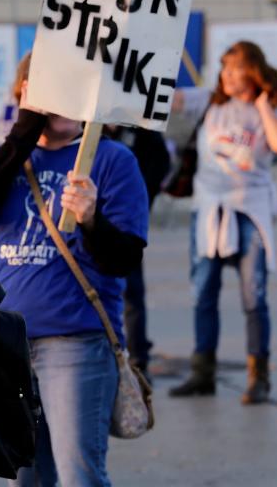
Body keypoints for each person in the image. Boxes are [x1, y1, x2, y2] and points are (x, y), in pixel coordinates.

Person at [0, 54, 149, 487]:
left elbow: (123, 259)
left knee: (77, 475)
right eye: (48, 87)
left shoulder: (112, 160)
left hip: (74, 342)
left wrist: (91, 221)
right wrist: (25, 131)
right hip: (10, 345)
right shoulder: (10, 158)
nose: (60, 99)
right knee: (24, 477)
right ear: (26, 96)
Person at [169, 41, 277, 405]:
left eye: (235, 68)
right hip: (208, 209)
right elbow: (171, 101)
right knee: (202, 292)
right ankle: (202, 371)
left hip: (250, 210)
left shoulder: (268, 111)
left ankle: (260, 376)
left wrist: (264, 105)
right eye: (224, 68)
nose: (227, 75)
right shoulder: (209, 101)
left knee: (254, 295)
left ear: (252, 70)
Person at [106, 124, 170, 378]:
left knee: (132, 291)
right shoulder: (89, 126)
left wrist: (140, 196)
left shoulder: (140, 130)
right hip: (91, 219)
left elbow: (160, 163)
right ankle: (114, 351)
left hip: (124, 223)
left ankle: (137, 357)